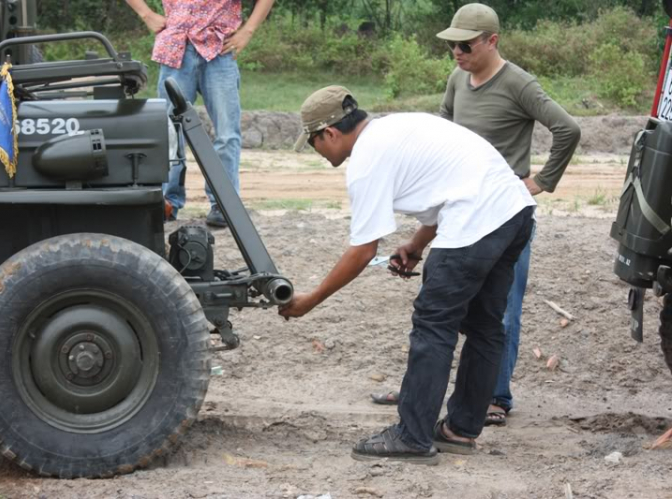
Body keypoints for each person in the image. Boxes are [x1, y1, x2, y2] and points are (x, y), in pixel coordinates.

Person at [280, 86, 535, 464]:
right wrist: (416, 247)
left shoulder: (366, 161)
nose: (318, 153)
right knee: (485, 325)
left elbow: (364, 250)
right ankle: (459, 430)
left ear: (330, 133)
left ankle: (412, 436)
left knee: (434, 323)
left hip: (477, 219)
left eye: (314, 143)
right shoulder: (396, 128)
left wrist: (311, 300)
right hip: (515, 212)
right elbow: (446, 187)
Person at [370, 3, 581, 426]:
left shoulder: (519, 83)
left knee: (499, 310)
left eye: (466, 45)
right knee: (442, 307)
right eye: (452, 45)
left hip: (503, 214)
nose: (457, 52)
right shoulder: (457, 80)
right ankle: (423, 390)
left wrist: (541, 181)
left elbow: (568, 129)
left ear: (492, 41)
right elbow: (443, 137)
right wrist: (420, 234)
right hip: (460, 210)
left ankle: (496, 397)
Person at [126, 0, 275, 227]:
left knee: (226, 132)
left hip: (220, 49)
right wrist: (146, 14)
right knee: (169, 131)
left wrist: (248, 30)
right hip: (176, 47)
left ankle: (223, 204)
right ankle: (167, 202)